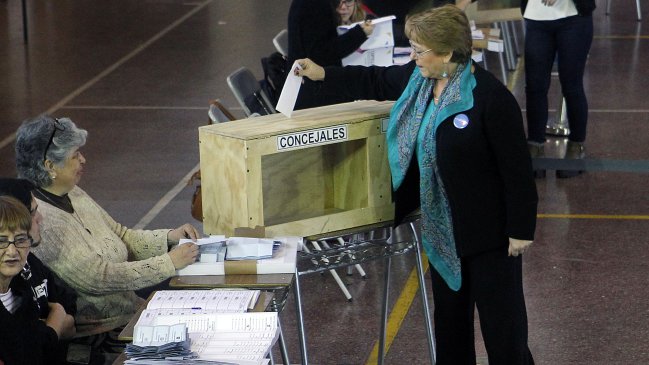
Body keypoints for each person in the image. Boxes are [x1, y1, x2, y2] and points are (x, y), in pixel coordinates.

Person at [294, 5, 537, 364]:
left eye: (420, 50)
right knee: (450, 329)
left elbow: (517, 169)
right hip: (442, 229)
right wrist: (323, 74)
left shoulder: (491, 99)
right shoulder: (418, 80)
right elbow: (374, 79)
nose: (413, 56)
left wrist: (520, 229)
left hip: (490, 234)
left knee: (504, 334)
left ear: (447, 53)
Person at [14, 115, 200, 354]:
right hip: (101, 336)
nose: (83, 159)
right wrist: (168, 263)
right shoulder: (45, 221)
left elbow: (122, 236)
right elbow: (97, 278)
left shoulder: (73, 192)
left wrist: (168, 238)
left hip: (129, 311)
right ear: (50, 166)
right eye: (75, 155)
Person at [0, 193, 76, 365]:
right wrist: (57, 313)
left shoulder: (23, 290)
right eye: (1, 241)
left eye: (20, 240)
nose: (12, 251)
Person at [522, 0, 595, 178]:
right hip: (536, 16)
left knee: (572, 85)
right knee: (535, 85)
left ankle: (576, 146)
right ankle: (535, 145)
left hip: (574, 16)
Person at [288, 0, 375, 109]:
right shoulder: (315, 5)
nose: (342, 7)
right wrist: (359, 34)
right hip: (315, 95)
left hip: (308, 87)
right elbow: (322, 54)